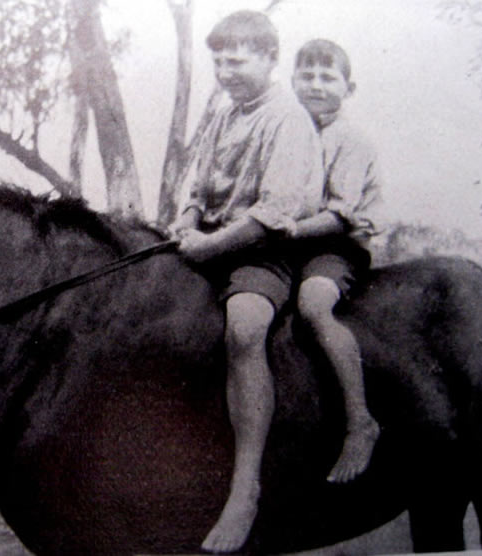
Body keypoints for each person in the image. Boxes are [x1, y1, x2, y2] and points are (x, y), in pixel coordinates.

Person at [167, 10, 323, 553]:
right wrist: (187, 217)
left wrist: (208, 245)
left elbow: (274, 211)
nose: (226, 69)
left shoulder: (288, 118)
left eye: (238, 59)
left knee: (245, 326)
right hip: (210, 240)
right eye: (219, 59)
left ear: (268, 59)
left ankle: (245, 487)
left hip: (264, 249)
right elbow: (197, 183)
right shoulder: (224, 113)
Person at [289, 38, 382, 483]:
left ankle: (360, 420)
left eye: (328, 77)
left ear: (350, 87)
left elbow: (340, 213)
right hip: (293, 243)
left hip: (339, 243)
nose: (316, 85)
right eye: (306, 76)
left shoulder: (350, 139)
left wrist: (285, 228)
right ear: (292, 82)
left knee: (312, 303)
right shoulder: (291, 131)